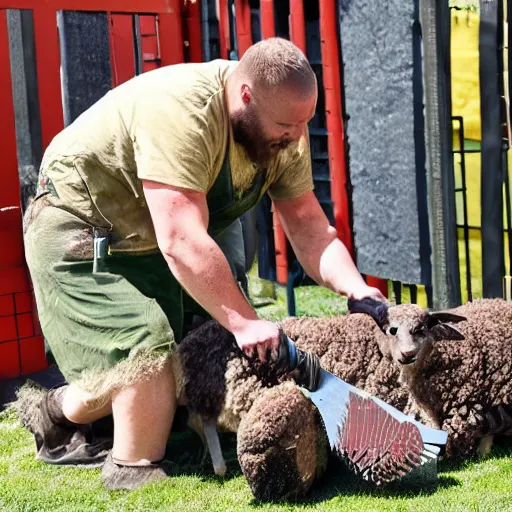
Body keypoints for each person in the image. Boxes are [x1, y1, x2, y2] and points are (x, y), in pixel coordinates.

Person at [22, 37, 385, 490]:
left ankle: (73, 412)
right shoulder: (184, 112)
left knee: (197, 354)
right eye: (286, 126)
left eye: (303, 124)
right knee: (149, 356)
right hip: (85, 228)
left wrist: (357, 289)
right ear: (246, 95)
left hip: (153, 237)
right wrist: (246, 321)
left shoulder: (282, 126)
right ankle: (119, 462)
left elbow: (309, 226)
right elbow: (180, 237)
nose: (295, 139)